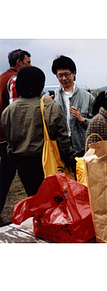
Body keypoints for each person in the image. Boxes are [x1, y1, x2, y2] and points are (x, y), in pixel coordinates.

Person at [1, 66, 76, 199]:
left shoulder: (8, 111)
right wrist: (72, 162)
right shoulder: (50, 107)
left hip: (23, 166)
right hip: (47, 163)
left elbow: (9, 142)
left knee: (36, 201)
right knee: (55, 205)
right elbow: (63, 141)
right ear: (40, 85)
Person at [0, 49, 31, 226]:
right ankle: (37, 214)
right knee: (26, 174)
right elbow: (16, 109)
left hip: (2, 137)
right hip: (9, 138)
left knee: (4, 177)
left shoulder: (1, 77)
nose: (29, 66)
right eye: (27, 63)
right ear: (18, 62)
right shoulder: (14, 79)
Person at [43, 55, 95, 157]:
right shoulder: (51, 97)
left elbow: (96, 123)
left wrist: (82, 119)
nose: (64, 78)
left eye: (67, 74)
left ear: (74, 73)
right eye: (60, 75)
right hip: (59, 147)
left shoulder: (87, 97)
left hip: (82, 147)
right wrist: (44, 104)